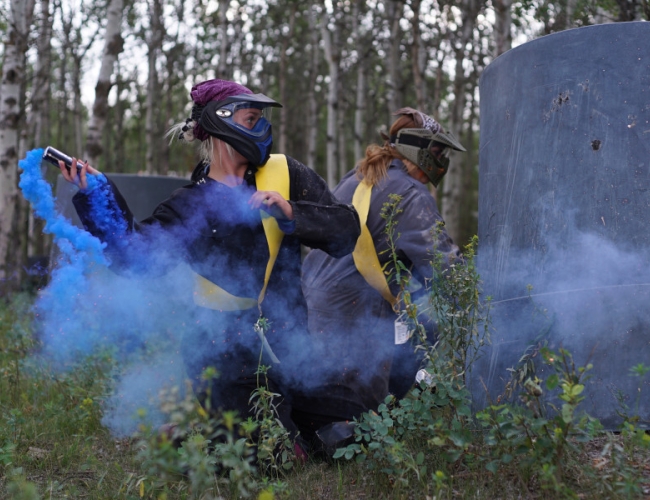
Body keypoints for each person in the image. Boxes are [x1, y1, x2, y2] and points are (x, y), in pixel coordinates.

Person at [57, 78, 361, 458]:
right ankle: (191, 439)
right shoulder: (189, 204)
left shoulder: (285, 174)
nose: (262, 129)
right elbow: (134, 258)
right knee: (270, 454)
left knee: (358, 422)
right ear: (222, 122)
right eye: (252, 119)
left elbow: (346, 232)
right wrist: (96, 196)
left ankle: (271, 428)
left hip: (290, 349)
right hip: (223, 356)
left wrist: (290, 212)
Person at [296, 107, 465, 443]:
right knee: (360, 421)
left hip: (309, 304)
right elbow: (446, 266)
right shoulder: (411, 195)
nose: (442, 160)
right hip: (353, 312)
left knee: (318, 395)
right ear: (419, 151)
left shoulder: (360, 176)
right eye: (438, 151)